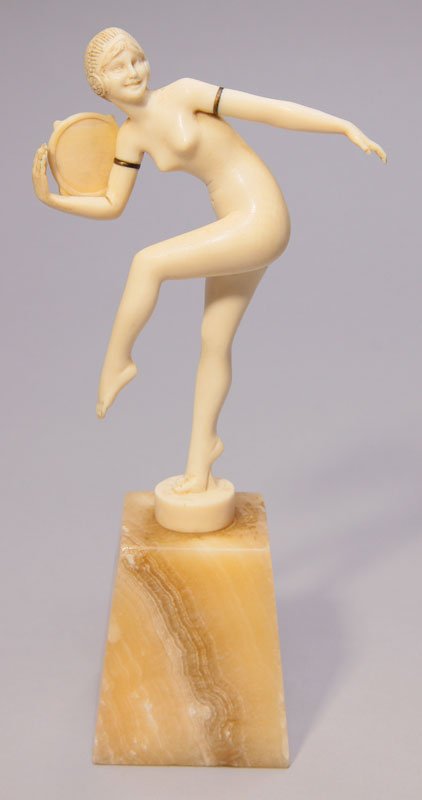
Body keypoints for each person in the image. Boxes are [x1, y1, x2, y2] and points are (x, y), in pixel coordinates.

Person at [32, 27, 387, 494]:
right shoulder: (129, 137)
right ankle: (200, 463)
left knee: (147, 263)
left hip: (259, 215)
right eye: (118, 67)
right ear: (101, 85)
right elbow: (111, 204)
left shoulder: (184, 93)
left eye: (137, 59)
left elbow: (268, 109)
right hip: (234, 224)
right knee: (213, 341)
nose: (134, 71)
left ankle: (118, 362)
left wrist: (342, 125)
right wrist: (53, 199)